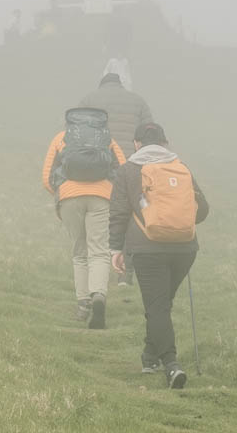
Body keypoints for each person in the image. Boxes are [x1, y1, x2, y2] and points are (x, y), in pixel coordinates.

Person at [108, 123, 209, 388]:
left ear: (137, 143)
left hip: (147, 249)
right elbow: (203, 210)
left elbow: (118, 213)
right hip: (185, 249)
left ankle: (172, 365)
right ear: (164, 143)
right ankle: (150, 356)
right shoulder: (181, 167)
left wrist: (116, 249)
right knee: (161, 304)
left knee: (157, 306)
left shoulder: (128, 169)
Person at [42, 109, 126, 329]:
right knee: (99, 250)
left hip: (70, 198)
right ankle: (99, 295)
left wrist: (61, 193)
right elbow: (123, 169)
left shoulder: (61, 138)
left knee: (79, 252)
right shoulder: (107, 139)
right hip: (102, 197)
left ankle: (83, 305)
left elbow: (46, 177)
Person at [80, 72, 154, 285]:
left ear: (101, 84)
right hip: (133, 165)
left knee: (104, 212)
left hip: (101, 164)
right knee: (131, 214)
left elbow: (75, 131)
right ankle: (126, 271)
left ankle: (100, 264)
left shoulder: (89, 99)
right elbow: (151, 134)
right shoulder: (138, 101)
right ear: (120, 85)